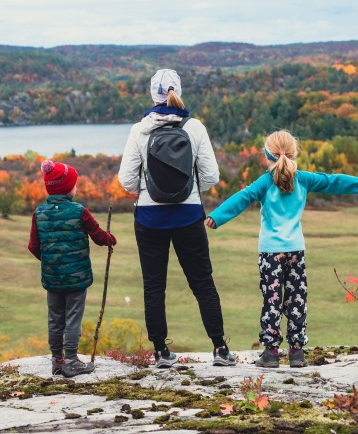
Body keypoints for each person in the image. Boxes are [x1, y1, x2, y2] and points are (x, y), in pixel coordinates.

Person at [205, 130, 358, 368]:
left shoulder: (265, 181)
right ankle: (297, 353)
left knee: (271, 299)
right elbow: (333, 181)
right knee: (297, 300)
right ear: (294, 154)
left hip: (270, 253)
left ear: (266, 155)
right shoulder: (303, 179)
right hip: (296, 251)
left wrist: (217, 217)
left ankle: (271, 354)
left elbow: (243, 197)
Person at [118, 69, 237, 368]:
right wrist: (189, 188)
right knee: (203, 283)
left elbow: (126, 181)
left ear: (152, 94)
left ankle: (160, 352)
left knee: (154, 286)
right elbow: (211, 176)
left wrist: (147, 190)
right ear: (178, 92)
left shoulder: (139, 130)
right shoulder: (195, 127)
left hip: (149, 218)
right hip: (188, 216)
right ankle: (220, 349)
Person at [28, 159, 117, 377]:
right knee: (73, 317)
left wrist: (51, 261)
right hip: (77, 278)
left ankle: (57, 361)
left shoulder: (39, 213)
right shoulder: (80, 211)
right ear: (68, 188)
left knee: (55, 316)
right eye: (74, 184)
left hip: (53, 277)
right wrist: (110, 239)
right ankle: (71, 361)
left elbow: (33, 246)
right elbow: (98, 236)